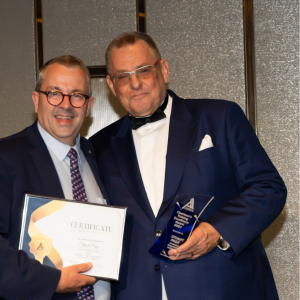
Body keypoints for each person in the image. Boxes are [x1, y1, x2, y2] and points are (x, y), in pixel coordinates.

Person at [89, 32, 287, 300]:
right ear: (112, 86)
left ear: (164, 69)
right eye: (123, 76)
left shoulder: (220, 117)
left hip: (222, 289)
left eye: (144, 70)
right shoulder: (98, 146)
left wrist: (217, 230)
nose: (135, 83)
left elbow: (268, 188)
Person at [0, 55, 111, 300]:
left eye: (77, 95)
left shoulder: (97, 157)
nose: (66, 104)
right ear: (36, 100)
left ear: (89, 105)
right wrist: (54, 281)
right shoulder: (6, 158)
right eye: (54, 93)